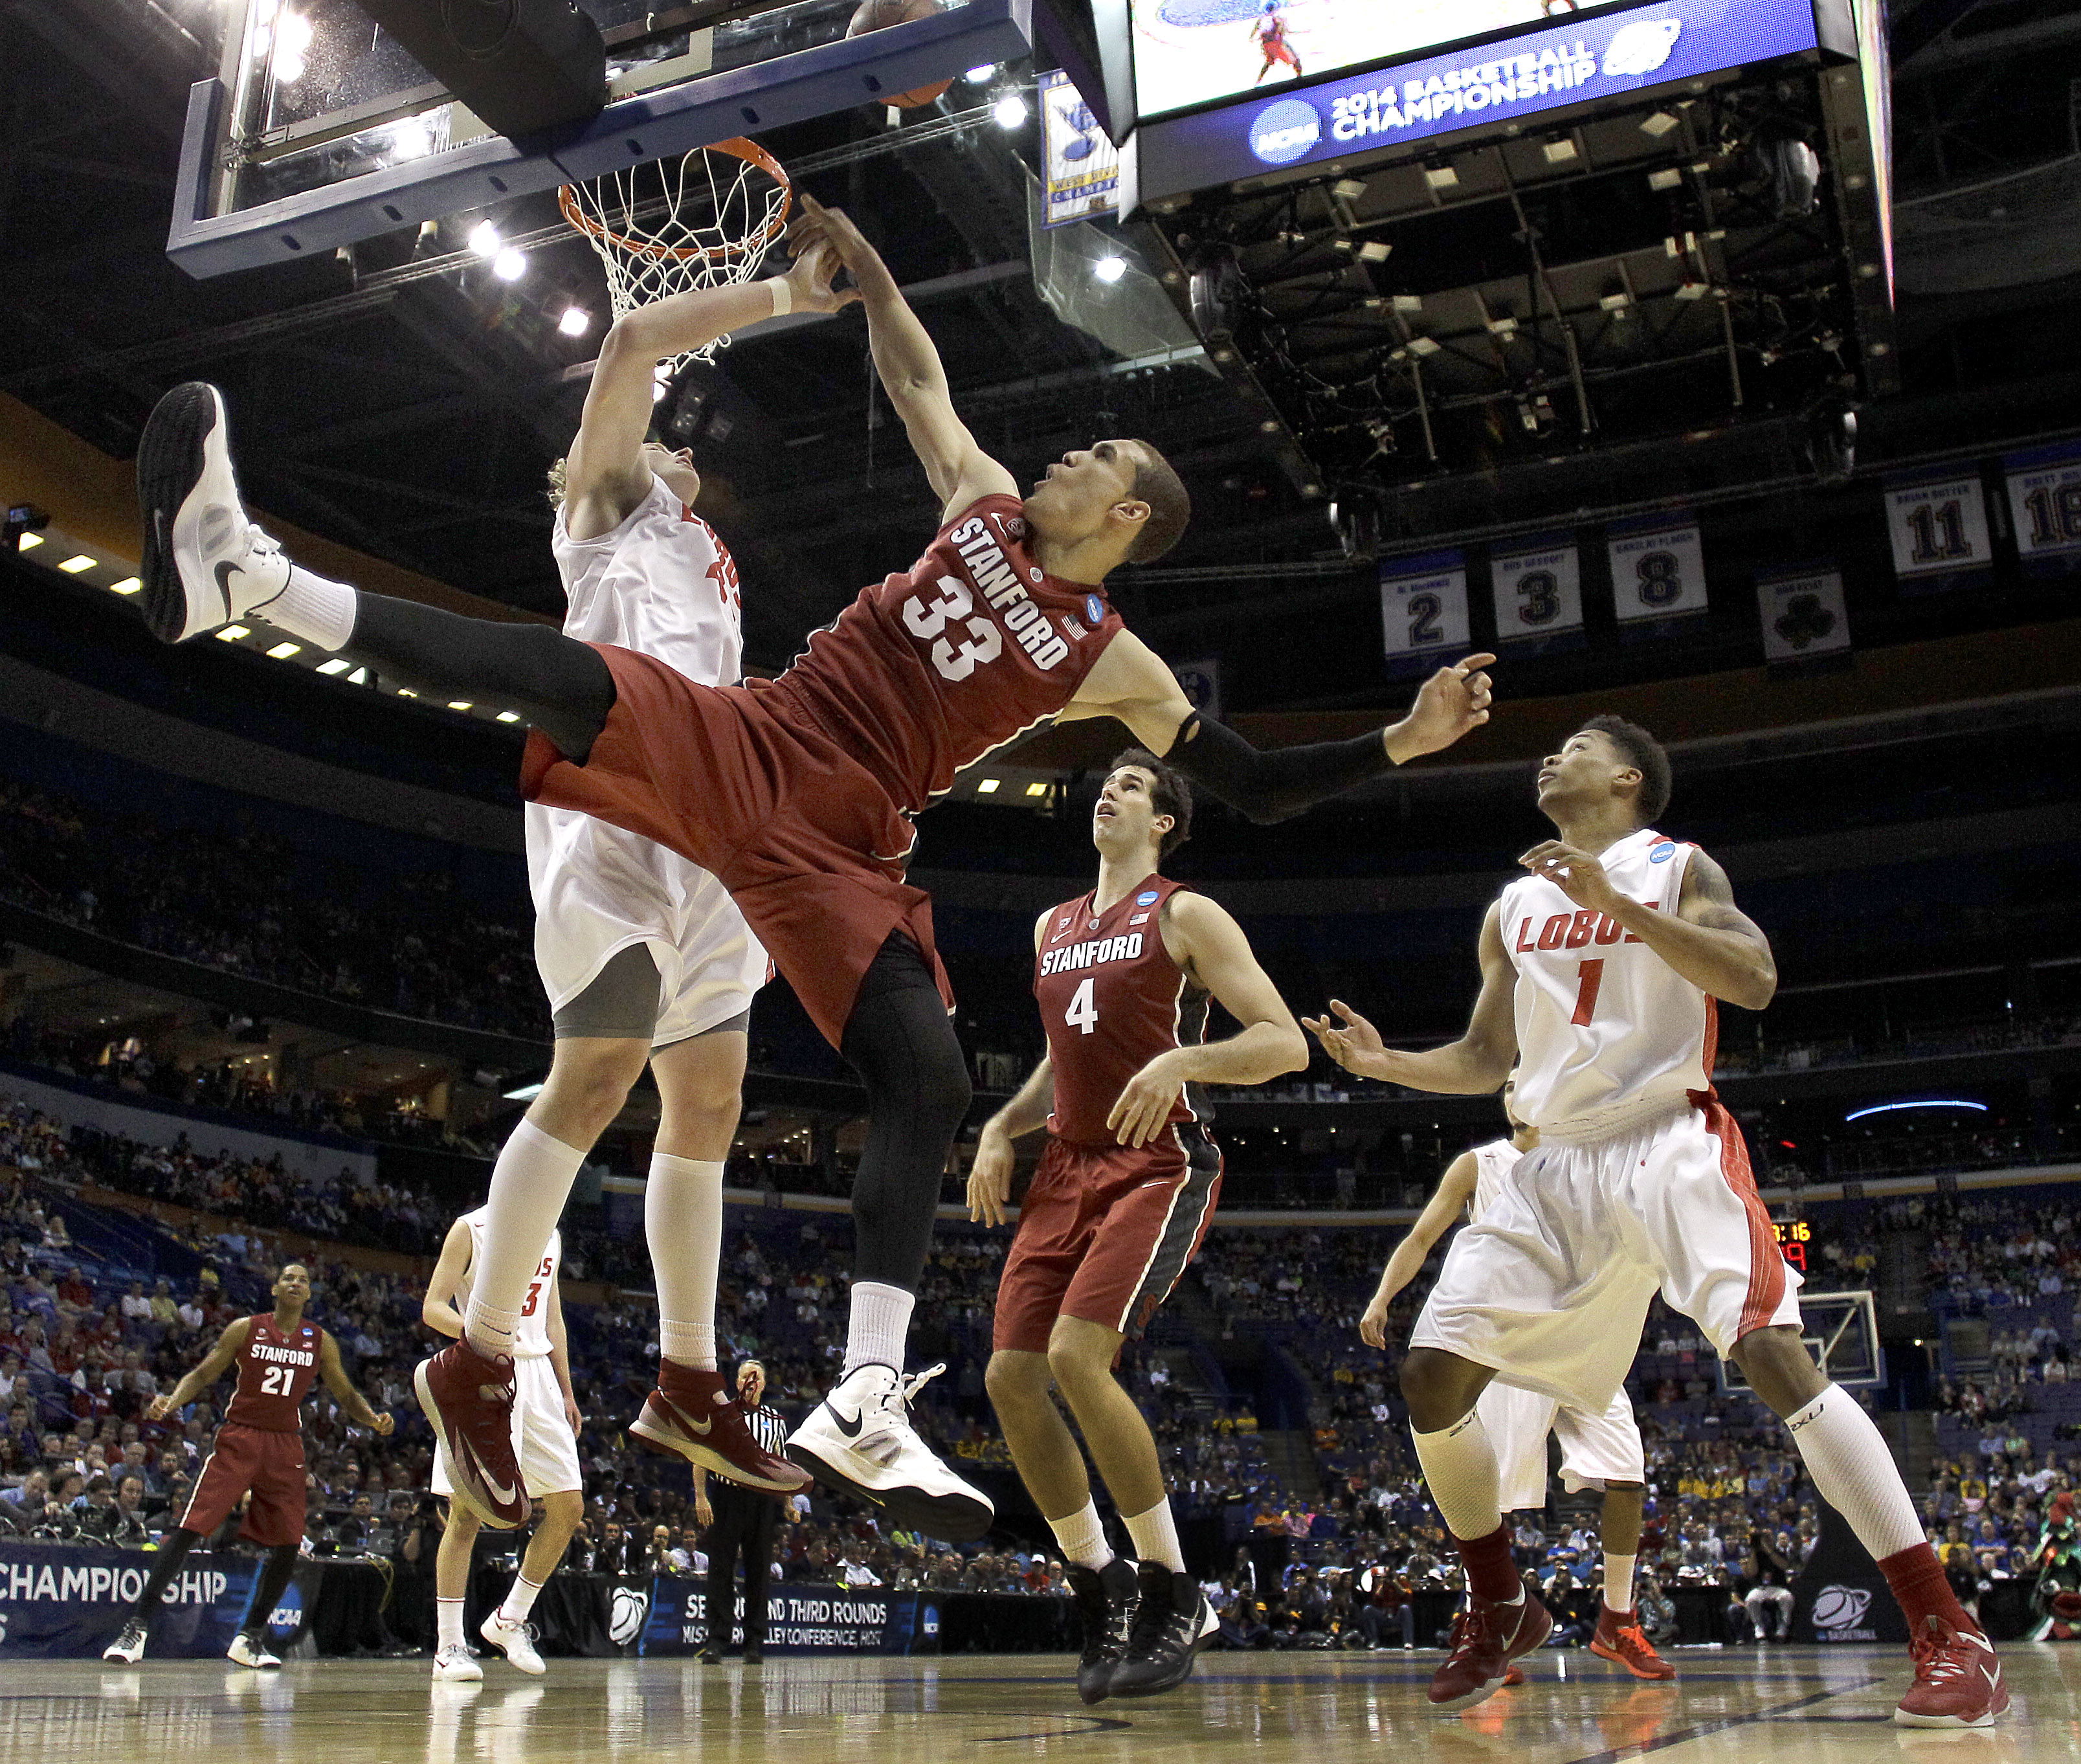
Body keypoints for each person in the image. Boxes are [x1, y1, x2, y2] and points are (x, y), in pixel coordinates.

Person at [128, 195, 1493, 1542]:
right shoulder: (984, 505)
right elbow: (914, 376)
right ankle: (252, 580)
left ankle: (857, 1394)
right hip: (770, 737)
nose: (1063, 455)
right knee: (579, 684)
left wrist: (1398, 741)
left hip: (848, 838)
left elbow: (1250, 782)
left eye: (1093, 455)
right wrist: (869, 271)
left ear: (1126, 511)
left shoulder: (1112, 660)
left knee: (928, 1077)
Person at [1306, 715, 2008, 1728]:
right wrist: (1386, 1065)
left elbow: (1752, 981)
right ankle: (1498, 1600)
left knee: (1769, 1352)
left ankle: (1947, 1628)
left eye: (1575, 747)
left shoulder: (1676, 867)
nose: (1549, 756)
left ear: (1628, 778)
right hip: (1550, 1160)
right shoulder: (1511, 906)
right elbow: (1485, 1057)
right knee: (1429, 1375)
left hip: (1663, 1140)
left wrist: (1619, 907)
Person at [968, 750, 1306, 1704]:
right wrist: (998, 1128)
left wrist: (1179, 1064)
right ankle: (1098, 1578)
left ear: (1162, 822)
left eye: (1130, 785)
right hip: (1064, 1164)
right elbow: (1061, 1058)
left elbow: (1281, 1041)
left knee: (1076, 1358)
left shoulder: (1185, 914)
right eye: (1104, 781)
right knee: (1008, 1378)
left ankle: (1172, 1586)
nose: (1107, 791)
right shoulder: (1053, 925)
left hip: (1156, 1161)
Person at [1358, 1082, 1675, 1682]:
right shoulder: (1479, 1164)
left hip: (1576, 1334)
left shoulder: (1584, 1156)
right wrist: (1382, 1298)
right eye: (1506, 1085)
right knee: (1487, 1497)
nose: (1515, 1092)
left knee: (1628, 1475)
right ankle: (1487, 1618)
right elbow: (1421, 1237)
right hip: (1505, 1340)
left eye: (1523, 1081)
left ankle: (1617, 1620)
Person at [100, 1262, 394, 1667]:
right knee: (190, 1529)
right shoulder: (245, 1328)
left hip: (285, 1444)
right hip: (240, 1436)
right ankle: (137, 1628)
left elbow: (345, 1393)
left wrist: (373, 1419)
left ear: (309, 1294)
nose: (295, 1283)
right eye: (288, 1278)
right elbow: (203, 1374)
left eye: (303, 1280)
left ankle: (250, 1637)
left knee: (290, 1542)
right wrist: (171, 1401)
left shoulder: (320, 1340)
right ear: (275, 1288)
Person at [421, 1207, 584, 1681]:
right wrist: (480, 1336)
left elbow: (554, 1322)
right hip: (483, 1369)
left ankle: (509, 1619)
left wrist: (567, 1391)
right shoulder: (470, 1229)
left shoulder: (549, 1231)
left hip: (539, 1377)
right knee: (466, 1513)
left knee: (568, 1507)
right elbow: (433, 1306)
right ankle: (449, 1645)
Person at [697, 1359, 791, 1666]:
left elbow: (781, 1464)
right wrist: (700, 1495)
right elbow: (702, 1456)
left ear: (763, 1383)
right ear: (737, 1382)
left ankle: (754, 1642)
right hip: (727, 1496)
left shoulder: (775, 1421)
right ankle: (717, 1640)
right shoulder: (721, 1415)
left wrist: (789, 1503)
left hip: (762, 1498)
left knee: (758, 1570)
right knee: (721, 1568)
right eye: (745, 1376)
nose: (751, 1381)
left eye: (757, 1376)